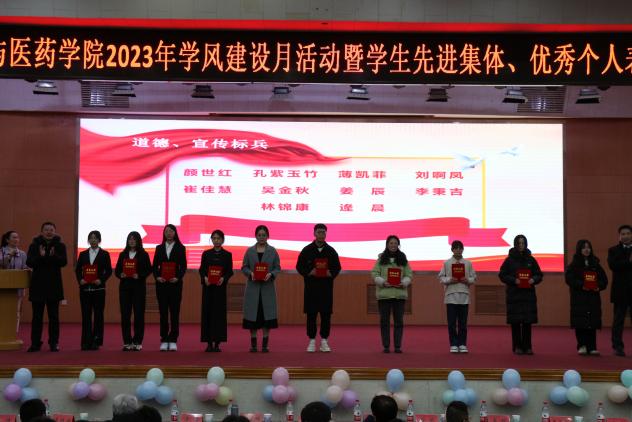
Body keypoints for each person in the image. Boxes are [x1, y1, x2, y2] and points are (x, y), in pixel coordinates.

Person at [296, 223, 342, 353]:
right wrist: (309, 272)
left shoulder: (331, 251)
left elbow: (337, 267)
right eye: (319, 232)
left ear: (326, 234)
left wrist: (330, 273)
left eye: (323, 232)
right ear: (314, 233)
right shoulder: (307, 250)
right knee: (311, 314)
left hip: (326, 289)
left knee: (326, 315)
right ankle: (311, 340)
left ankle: (324, 340)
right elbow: (299, 266)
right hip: (311, 289)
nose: (321, 234)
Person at [498, 234, 543, 355]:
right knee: (516, 322)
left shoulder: (531, 259)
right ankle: (517, 346)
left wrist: (533, 279)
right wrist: (514, 280)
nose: (521, 245)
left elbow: (539, 275)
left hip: (528, 295)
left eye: (523, 243)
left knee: (527, 322)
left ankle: (527, 347)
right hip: (514, 295)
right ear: (515, 244)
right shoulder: (509, 260)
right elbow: (502, 275)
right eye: (519, 243)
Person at [26, 222, 67, 352]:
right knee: (37, 317)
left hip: (54, 286)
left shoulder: (60, 245)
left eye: (51, 230)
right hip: (38, 286)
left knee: (54, 317)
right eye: (46, 230)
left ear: (55, 231)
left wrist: (53, 256)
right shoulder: (34, 245)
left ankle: (54, 343)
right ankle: (35, 343)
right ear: (42, 231)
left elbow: (64, 262)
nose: (49, 232)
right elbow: (29, 262)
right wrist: (41, 256)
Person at [242, 224, 281, 352]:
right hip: (253, 288)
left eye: (264, 235)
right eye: (259, 235)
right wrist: (250, 273)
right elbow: (244, 267)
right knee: (253, 317)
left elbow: (277, 268)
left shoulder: (273, 251)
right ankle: (253, 344)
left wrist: (271, 274)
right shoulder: (249, 251)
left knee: (266, 316)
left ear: (267, 236)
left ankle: (265, 344)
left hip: (267, 288)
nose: (262, 237)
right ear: (255, 236)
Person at [565, 239, 608, 355]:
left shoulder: (596, 264)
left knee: (592, 322)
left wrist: (598, 286)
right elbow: (569, 279)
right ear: (579, 249)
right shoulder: (574, 265)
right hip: (579, 298)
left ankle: (592, 347)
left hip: (593, 298)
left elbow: (604, 280)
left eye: (588, 247)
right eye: (584, 247)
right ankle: (582, 345)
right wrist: (582, 285)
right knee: (581, 322)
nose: (586, 250)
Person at [371, 235, 413, 353]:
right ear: (387, 245)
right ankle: (386, 346)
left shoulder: (403, 259)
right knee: (384, 322)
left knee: (399, 322)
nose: (393, 245)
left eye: (395, 243)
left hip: (399, 295)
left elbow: (409, 275)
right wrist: (383, 282)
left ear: (398, 245)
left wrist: (403, 283)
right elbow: (374, 273)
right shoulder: (381, 259)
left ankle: (398, 346)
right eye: (391, 243)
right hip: (384, 295)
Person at [74, 230, 112, 350]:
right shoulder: (83, 254)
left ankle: (96, 341)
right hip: (85, 289)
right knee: (86, 315)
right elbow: (78, 270)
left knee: (98, 315)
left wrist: (101, 280)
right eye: (91, 238)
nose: (93, 240)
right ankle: (86, 342)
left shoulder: (104, 254)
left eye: (95, 238)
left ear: (99, 240)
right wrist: (80, 280)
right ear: (88, 240)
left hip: (99, 289)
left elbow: (109, 271)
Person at [114, 231, 152, 351]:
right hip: (125, 288)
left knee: (139, 315)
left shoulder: (143, 254)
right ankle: (127, 342)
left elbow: (149, 270)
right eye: (130, 239)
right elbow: (117, 270)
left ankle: (137, 341)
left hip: (138, 288)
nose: (131, 241)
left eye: (134, 239)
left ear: (138, 241)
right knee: (125, 315)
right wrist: (121, 274)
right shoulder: (123, 254)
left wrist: (139, 275)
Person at [152, 224, 187, 351]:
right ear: (164, 233)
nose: (169, 233)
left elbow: (183, 266)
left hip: (175, 285)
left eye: (171, 231)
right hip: (161, 285)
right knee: (163, 313)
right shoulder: (159, 248)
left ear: (175, 233)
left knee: (174, 313)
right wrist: (157, 277)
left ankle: (173, 339)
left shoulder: (181, 248)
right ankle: (164, 339)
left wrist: (178, 277)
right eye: (166, 231)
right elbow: (154, 266)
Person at [199, 229, 234, 352]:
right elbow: (201, 270)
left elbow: (230, 271)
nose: (216, 240)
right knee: (207, 313)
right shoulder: (206, 254)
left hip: (220, 289)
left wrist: (224, 278)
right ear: (211, 240)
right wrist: (204, 278)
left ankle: (217, 343)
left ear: (222, 240)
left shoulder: (227, 255)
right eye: (214, 238)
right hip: (208, 288)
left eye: (218, 238)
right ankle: (209, 343)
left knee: (219, 315)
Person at [438, 240, 476, 353]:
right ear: (452, 249)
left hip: (464, 296)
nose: (458, 250)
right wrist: (450, 280)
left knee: (463, 323)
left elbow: (474, 277)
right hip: (451, 296)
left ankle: (462, 344)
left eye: (460, 248)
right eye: (456, 248)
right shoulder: (447, 263)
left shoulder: (468, 263)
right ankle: (454, 344)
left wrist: (467, 280)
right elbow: (441, 278)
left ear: (463, 249)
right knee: (451, 323)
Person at [608, 224, 632, 357]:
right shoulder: (613, 250)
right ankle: (618, 346)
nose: (626, 236)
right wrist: (629, 262)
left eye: (628, 233)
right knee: (618, 320)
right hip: (620, 291)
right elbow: (613, 266)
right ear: (619, 236)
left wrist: (625, 264)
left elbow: (620, 265)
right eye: (623, 234)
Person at [1, 230, 30, 333]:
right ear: (7, 240)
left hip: (17, 287)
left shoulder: (22, 254)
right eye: (14, 237)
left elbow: (25, 267)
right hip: (3, 286)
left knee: (16, 311)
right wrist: (9, 256)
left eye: (17, 237)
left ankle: (13, 333)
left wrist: (28, 269)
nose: (16, 239)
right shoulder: (1, 252)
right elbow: (2, 265)